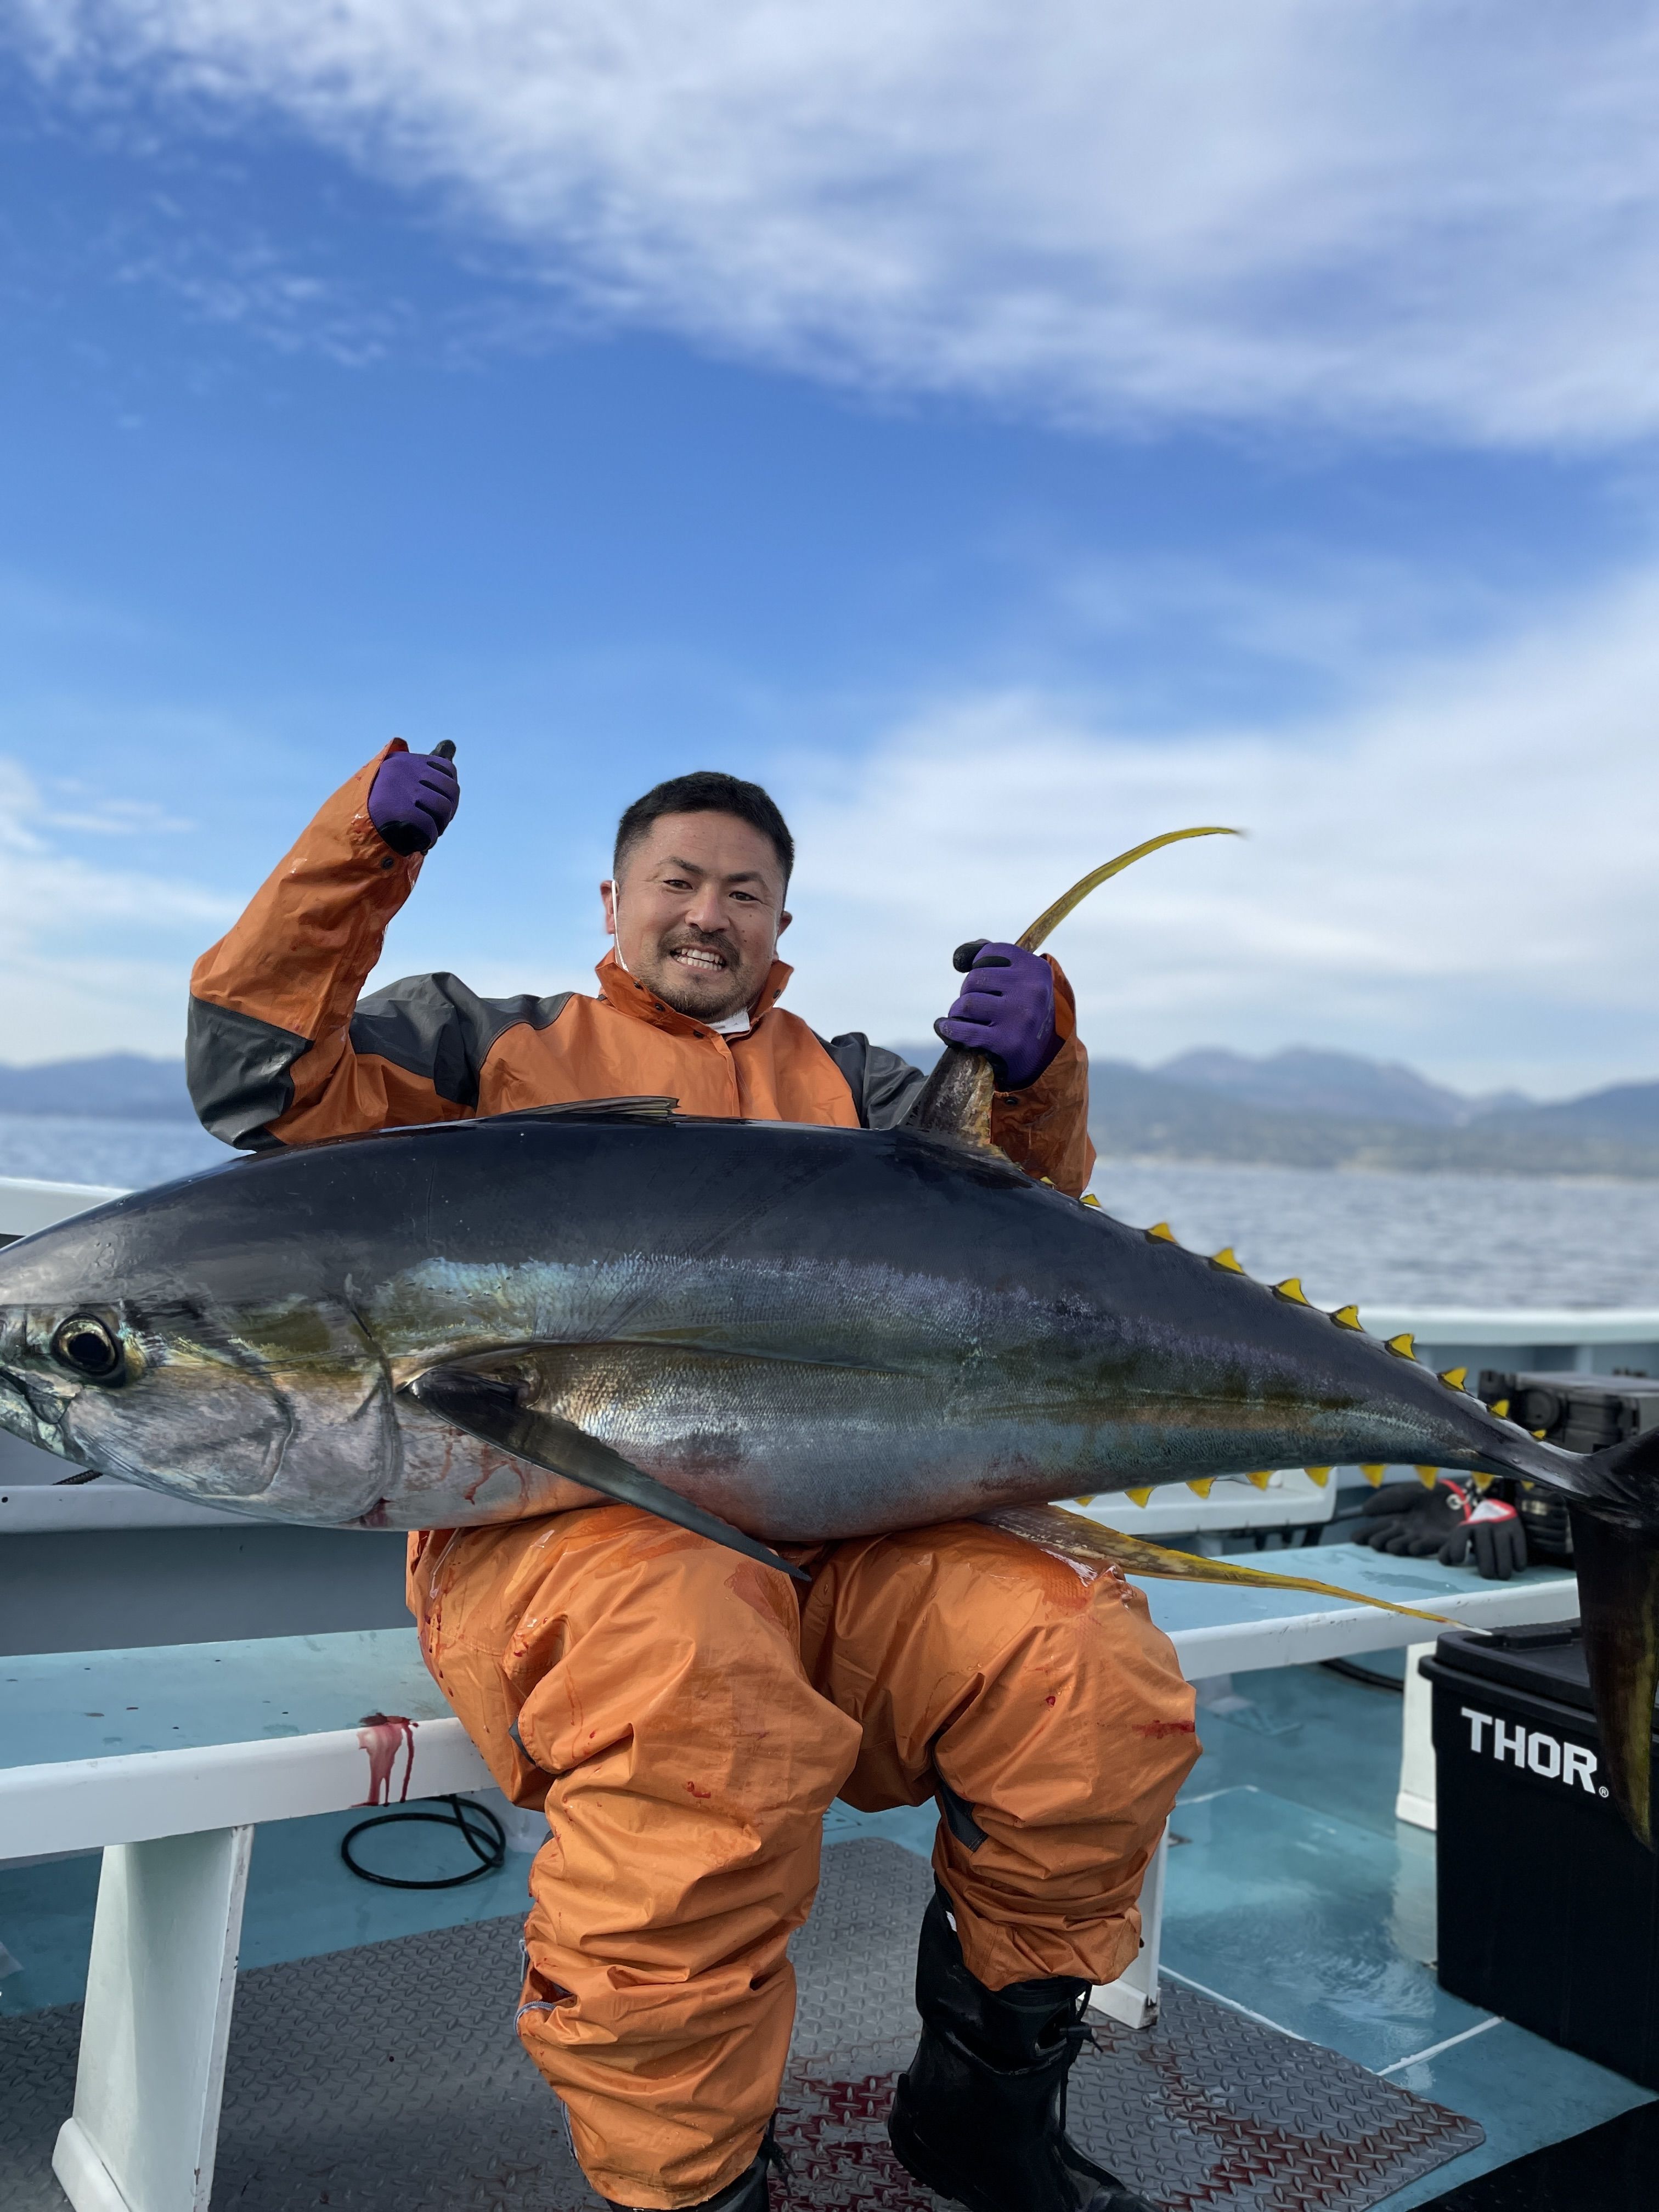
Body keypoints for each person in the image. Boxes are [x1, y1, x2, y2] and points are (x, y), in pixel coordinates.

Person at [187, 740, 1199, 2212]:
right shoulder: (483, 1049)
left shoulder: (858, 1089)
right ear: (612, 901)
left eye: (745, 892)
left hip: (845, 1540)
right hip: (560, 1527)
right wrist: (363, 849)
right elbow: (258, 1086)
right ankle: (692, 2188)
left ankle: (982, 2110)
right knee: (689, 1684)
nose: (708, 915)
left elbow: (1024, 1236)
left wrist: (1042, 1078)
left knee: (1085, 1667)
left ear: (782, 923)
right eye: (677, 882)